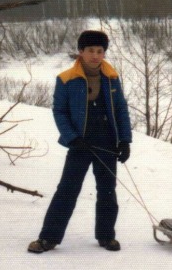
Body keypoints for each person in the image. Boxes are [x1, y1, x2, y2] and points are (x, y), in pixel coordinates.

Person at [28, 30, 132, 253]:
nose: (95, 55)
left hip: (106, 141)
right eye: (90, 51)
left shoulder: (112, 77)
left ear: (104, 53)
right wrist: (72, 138)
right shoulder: (66, 79)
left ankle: (106, 236)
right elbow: (60, 112)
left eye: (100, 51)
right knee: (67, 189)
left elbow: (121, 109)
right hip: (80, 143)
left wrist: (125, 140)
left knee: (107, 190)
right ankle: (48, 238)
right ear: (81, 52)